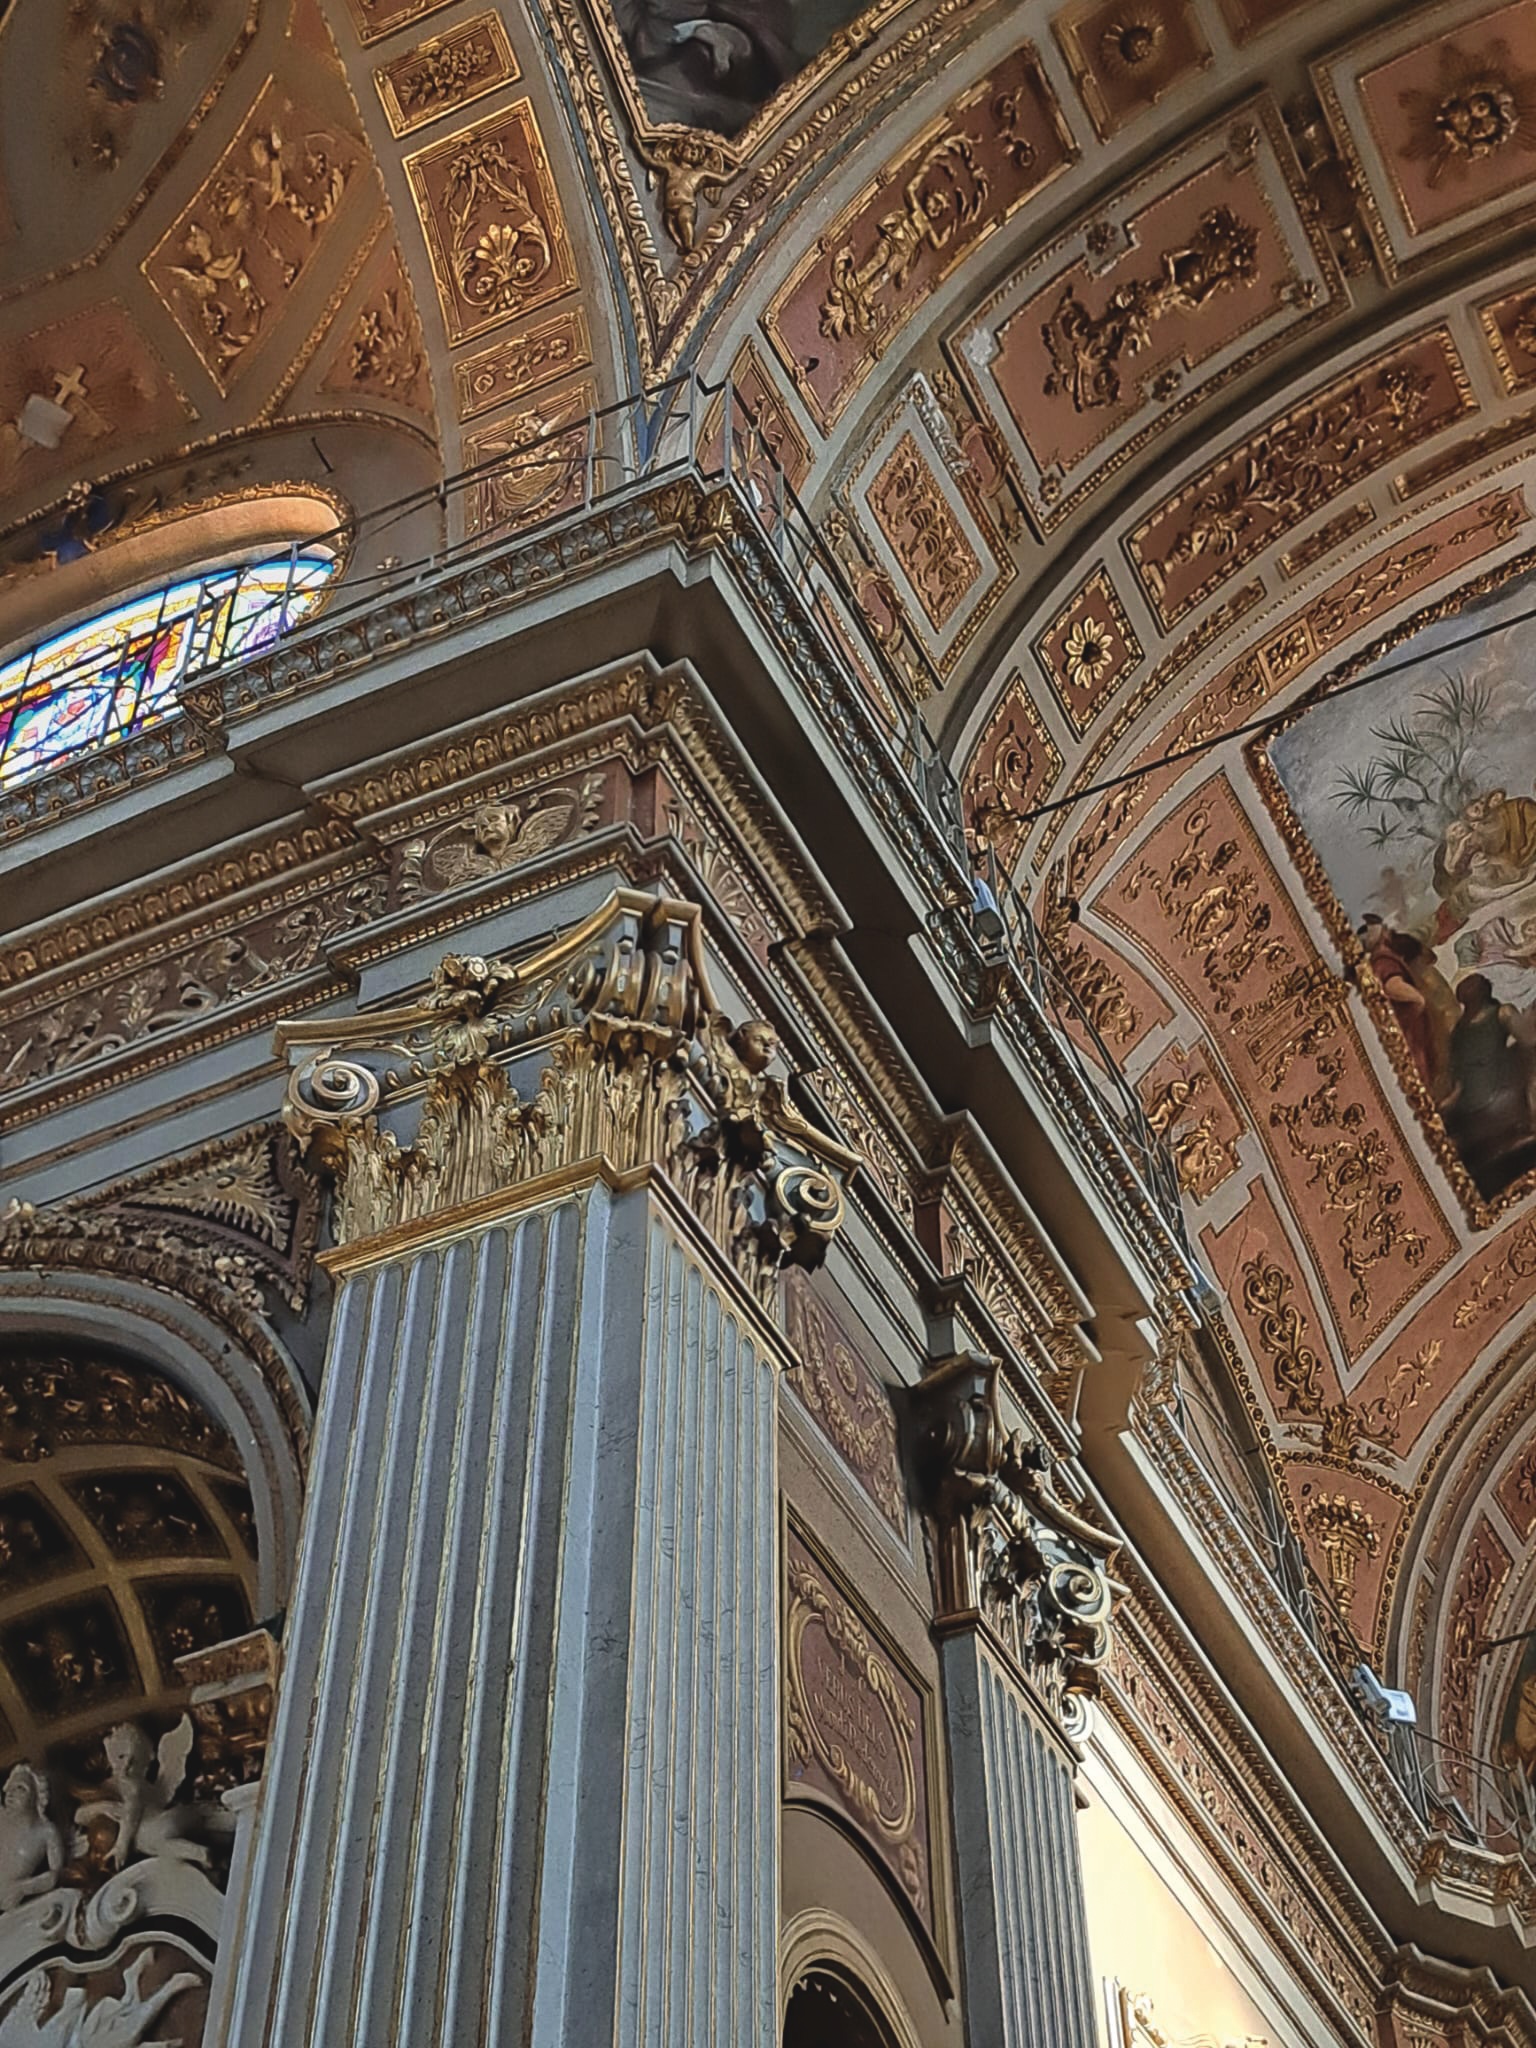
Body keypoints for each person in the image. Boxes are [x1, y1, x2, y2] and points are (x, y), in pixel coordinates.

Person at [1443, 973, 1536, 1195]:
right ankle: (1532, 1116)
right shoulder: (1502, 1012)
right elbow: (1528, 1039)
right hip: (1494, 1089)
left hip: (1467, 1100)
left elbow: (1457, 1076)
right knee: (1528, 1058)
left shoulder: (1458, 1031)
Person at [1358, 916, 1432, 1088]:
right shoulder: (1385, 961)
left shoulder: (1379, 960)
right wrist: (1417, 1000)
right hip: (1405, 1038)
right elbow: (1392, 985)